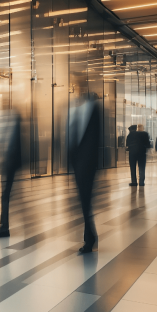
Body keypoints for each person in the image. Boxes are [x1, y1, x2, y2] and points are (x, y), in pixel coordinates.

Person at [69, 95, 100, 254]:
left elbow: (97, 140)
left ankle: (90, 239)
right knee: (84, 201)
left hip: (87, 165)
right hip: (77, 164)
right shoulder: (74, 112)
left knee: (85, 201)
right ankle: (90, 236)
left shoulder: (93, 110)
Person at [0, 110, 22, 238]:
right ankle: (4, 226)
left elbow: (14, 152)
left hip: (11, 168)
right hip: (9, 167)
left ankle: (4, 227)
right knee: (7, 197)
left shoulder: (16, 130)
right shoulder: (14, 129)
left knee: (6, 197)